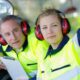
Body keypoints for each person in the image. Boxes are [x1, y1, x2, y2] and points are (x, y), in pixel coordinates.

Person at [35, 8, 80, 80]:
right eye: (44, 27)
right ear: (39, 32)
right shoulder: (42, 60)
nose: (49, 31)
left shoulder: (75, 45)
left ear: (63, 26)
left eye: (54, 25)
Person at [0, 15, 49, 80]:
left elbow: (47, 72)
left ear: (24, 28)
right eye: (7, 34)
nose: (13, 38)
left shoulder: (37, 41)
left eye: (15, 30)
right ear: (2, 38)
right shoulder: (5, 45)